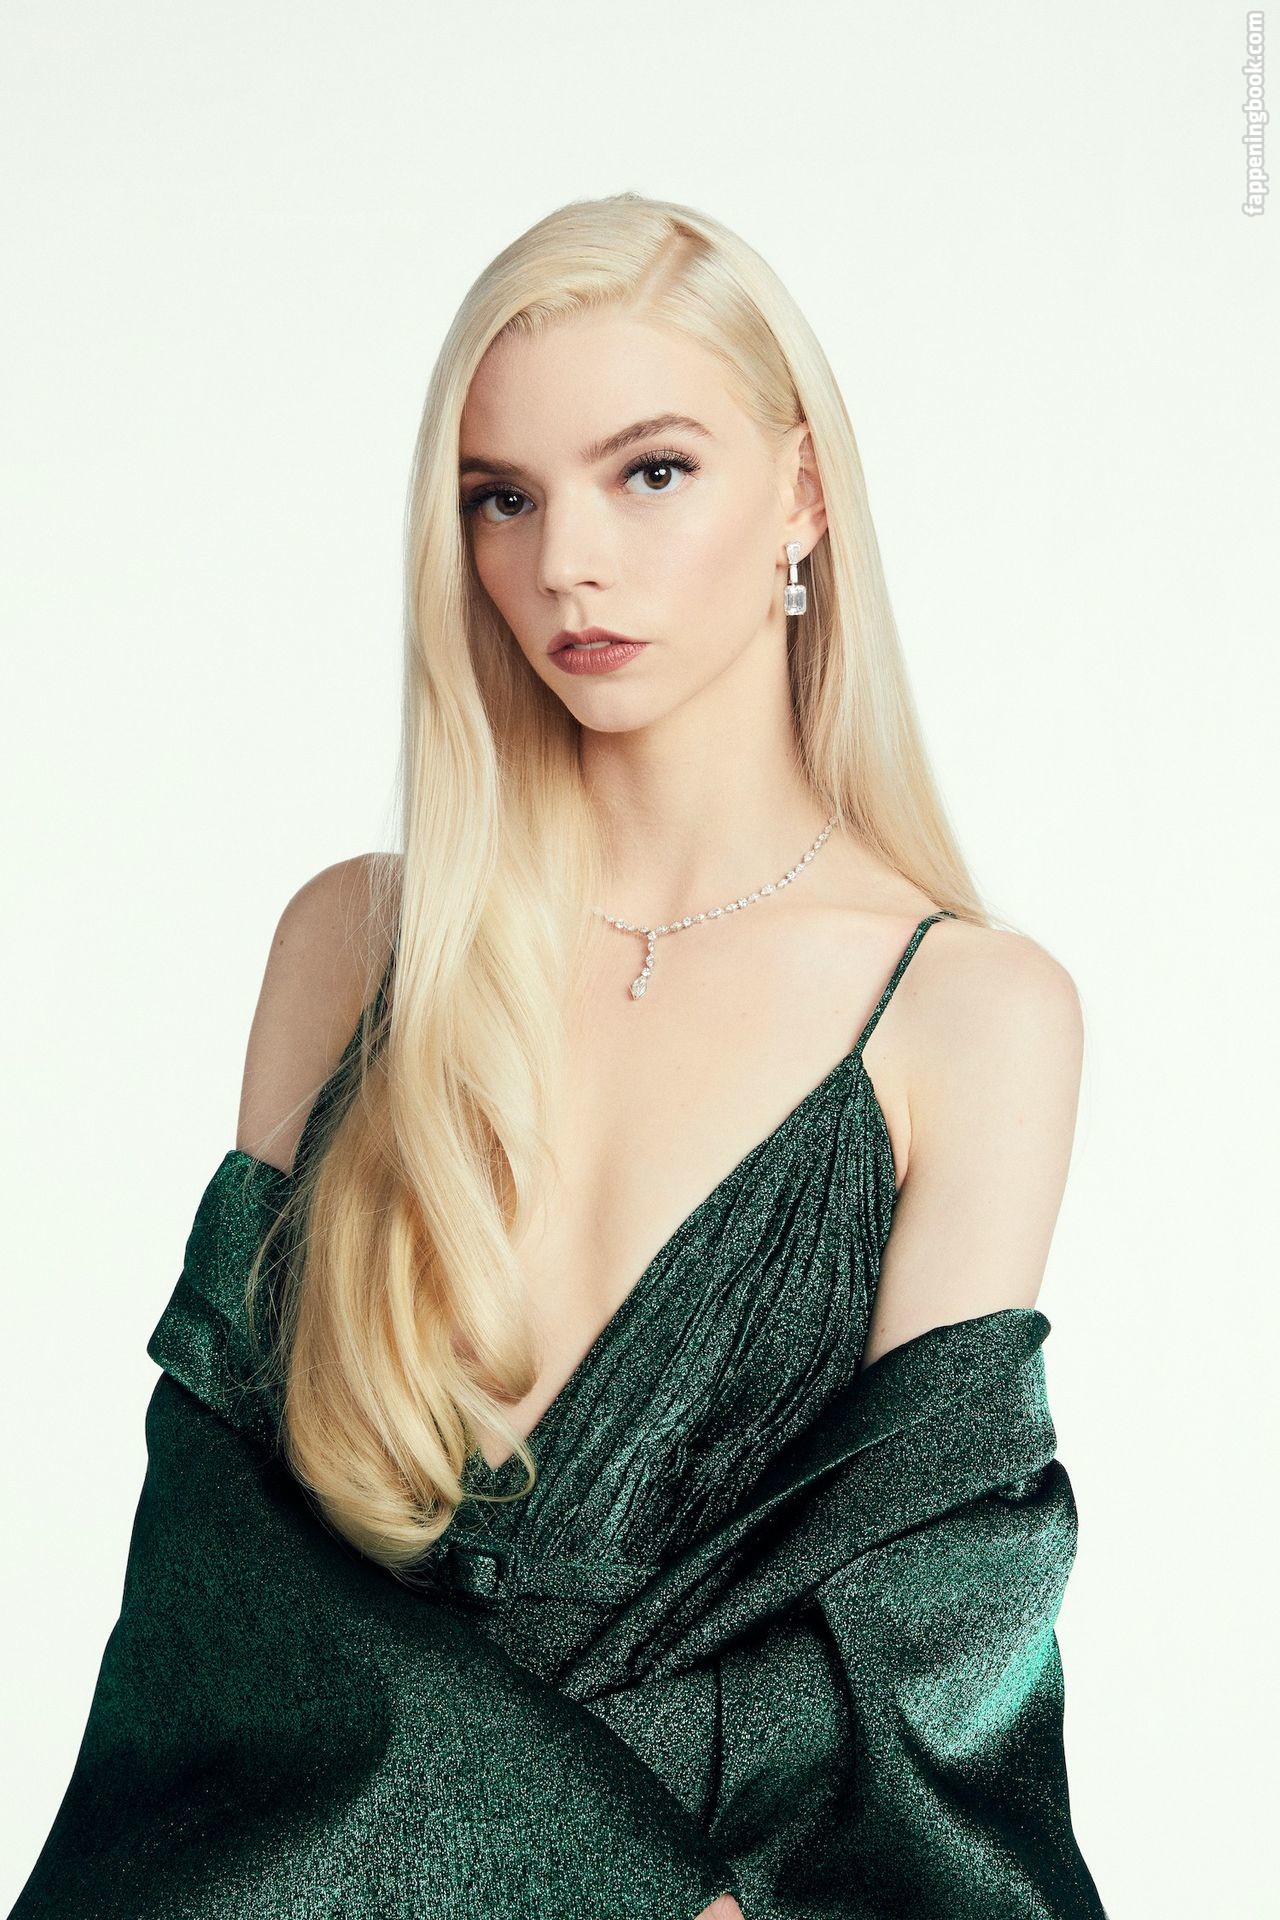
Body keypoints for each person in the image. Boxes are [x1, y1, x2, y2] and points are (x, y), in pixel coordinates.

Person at [12, 192, 1108, 1918]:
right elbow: (222, 1548)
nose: (565, 563)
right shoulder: (353, 947)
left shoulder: (971, 1013)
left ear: (801, 492)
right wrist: (597, 1875)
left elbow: (919, 1625)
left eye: (649, 471)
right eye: (501, 497)